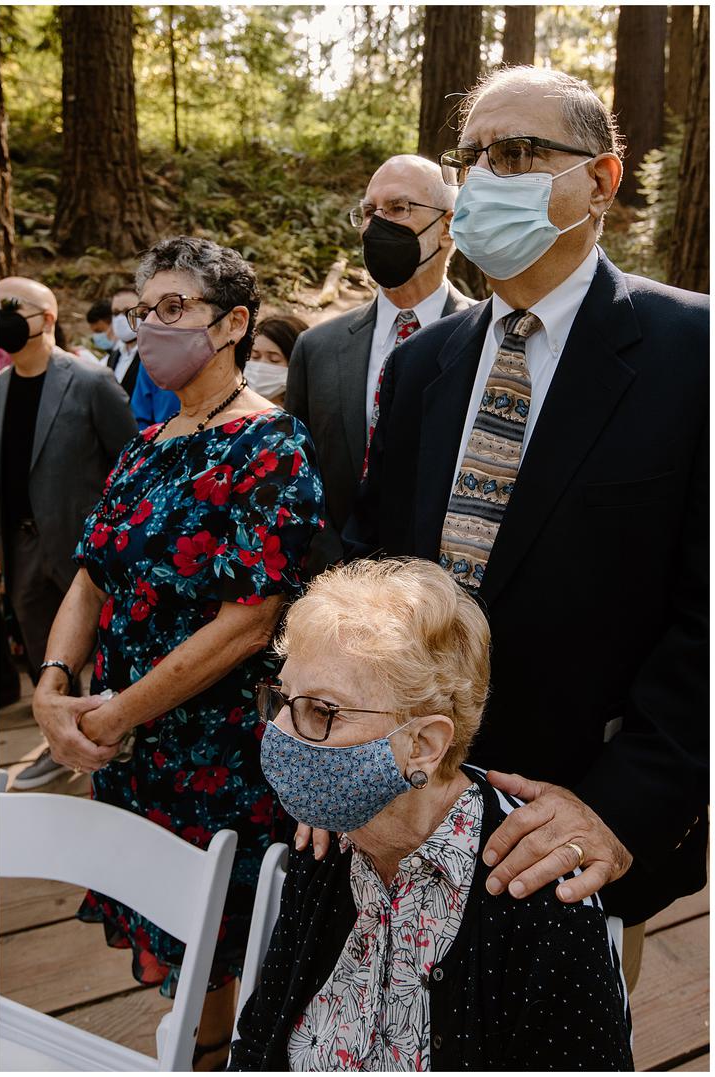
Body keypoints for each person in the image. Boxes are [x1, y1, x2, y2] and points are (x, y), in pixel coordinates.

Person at [346, 65, 708, 984]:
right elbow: (374, 568)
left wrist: (620, 807)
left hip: (575, 822)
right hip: (407, 796)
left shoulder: (692, 351)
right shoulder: (425, 364)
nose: (484, 180)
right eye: (473, 158)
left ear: (602, 180)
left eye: (518, 153)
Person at [33, 236, 325, 1067]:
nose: (150, 326)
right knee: (160, 926)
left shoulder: (271, 446)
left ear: (233, 322)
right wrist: (56, 688)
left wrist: (110, 714)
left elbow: (249, 618)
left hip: (212, 745)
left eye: (173, 309)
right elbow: (91, 577)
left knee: (215, 942)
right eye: (142, 310)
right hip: (123, 736)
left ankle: (212, 1055)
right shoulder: (145, 445)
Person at [231, 559, 632, 1070]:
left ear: (423, 744)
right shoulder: (325, 841)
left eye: (321, 711)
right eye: (282, 699)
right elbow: (259, 1038)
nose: (282, 730)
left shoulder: (540, 897)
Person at [286, 154, 473, 575]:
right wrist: (338, 574)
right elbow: (298, 482)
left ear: (448, 227)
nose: (376, 224)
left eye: (398, 208)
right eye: (369, 211)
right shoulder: (315, 348)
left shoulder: (487, 337)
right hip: (334, 590)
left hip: (448, 594)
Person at [0, 276, 136, 791]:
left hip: (89, 552)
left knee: (109, 649)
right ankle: (58, 744)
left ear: (48, 318)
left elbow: (132, 468)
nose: (2, 317)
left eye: (12, 307)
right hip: (22, 546)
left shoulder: (91, 381)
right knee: (43, 652)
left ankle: (117, 742)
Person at [243, 314, 309, 408]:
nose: (261, 366)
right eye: (255, 356)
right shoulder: (234, 405)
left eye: (274, 360)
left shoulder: (308, 413)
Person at [103, 287, 145, 399]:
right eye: (116, 313)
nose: (120, 318)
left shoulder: (151, 357)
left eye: (127, 311)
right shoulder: (113, 357)